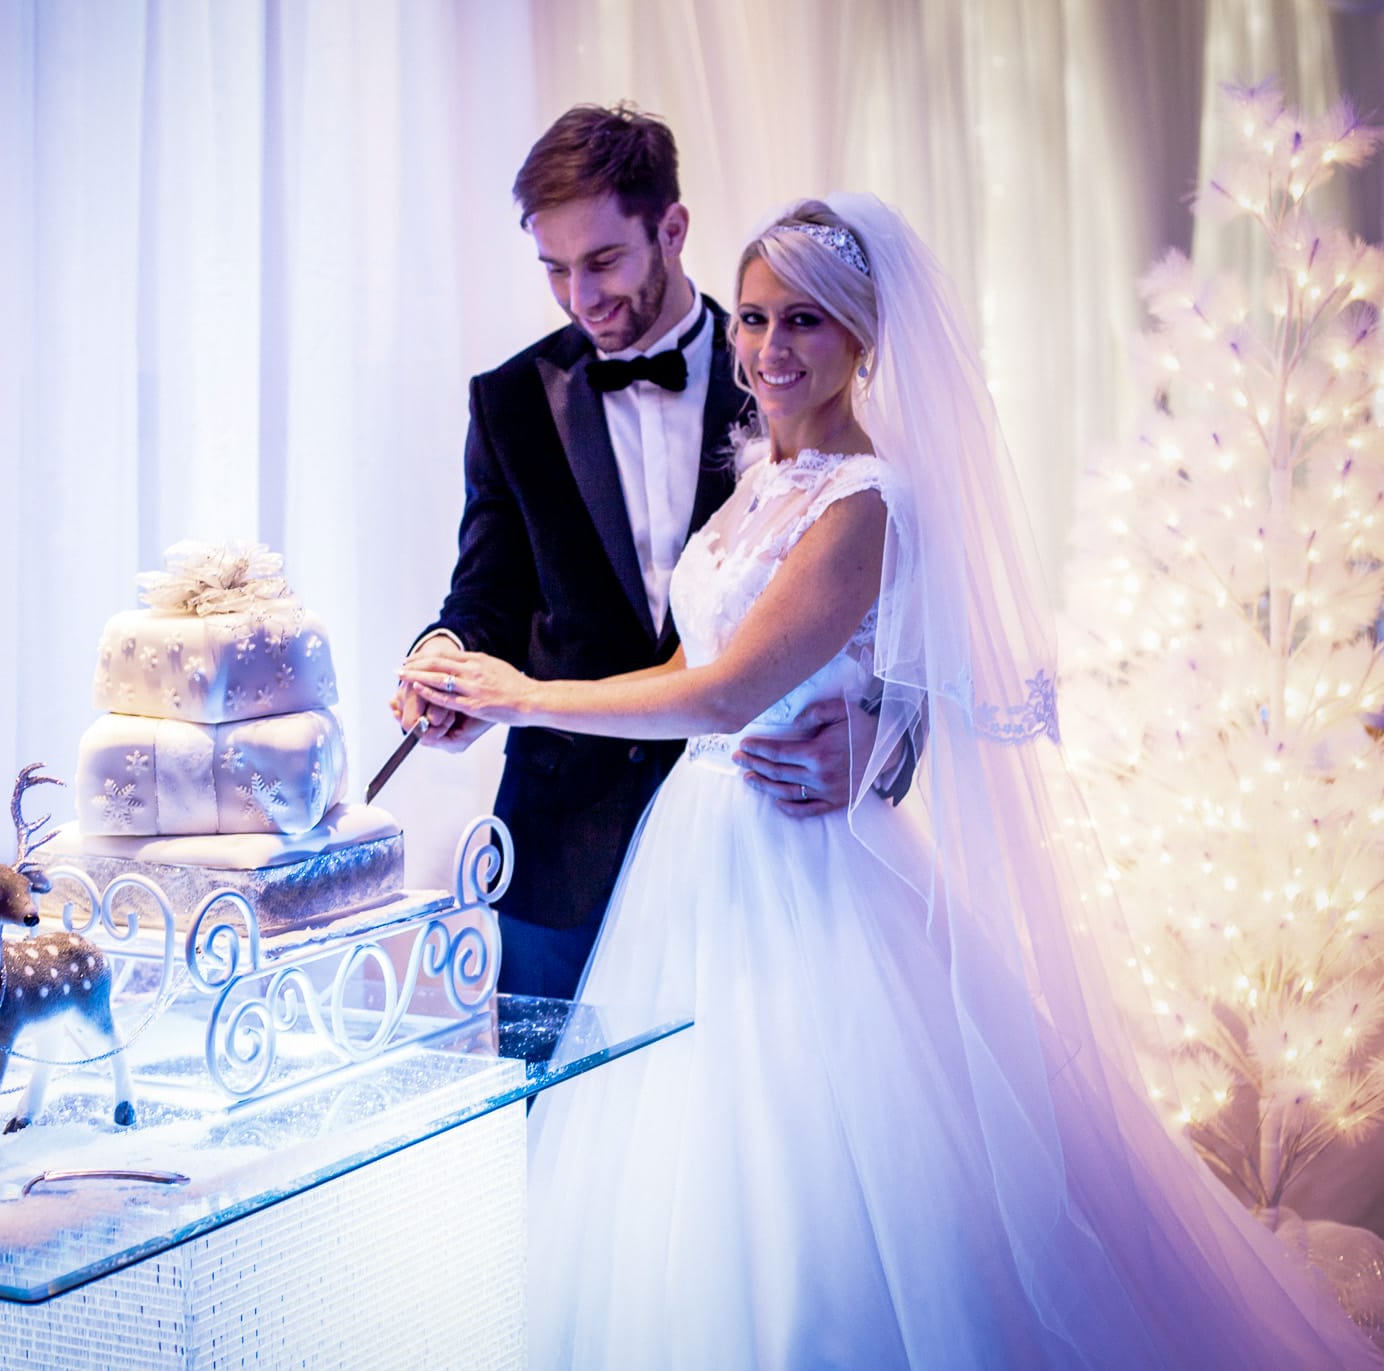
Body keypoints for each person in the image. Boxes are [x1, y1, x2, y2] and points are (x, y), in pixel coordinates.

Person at [401, 196, 1381, 1368]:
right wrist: (458, 670)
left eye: (803, 323)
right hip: (681, 858)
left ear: (862, 335)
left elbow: (734, 697)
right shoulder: (762, 475)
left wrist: (527, 696)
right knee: (672, 1169)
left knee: (818, 1165)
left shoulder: (867, 497)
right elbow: (683, 659)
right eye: (757, 318)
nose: (767, 349)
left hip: (797, 869)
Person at [393, 104, 902, 1002]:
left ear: (671, 229)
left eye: (603, 262)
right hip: (560, 852)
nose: (581, 298)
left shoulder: (786, 379)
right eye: (554, 269)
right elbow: (484, 594)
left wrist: (887, 742)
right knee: (570, 1135)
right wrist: (444, 656)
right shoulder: (509, 401)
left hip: (767, 848)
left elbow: (900, 616)